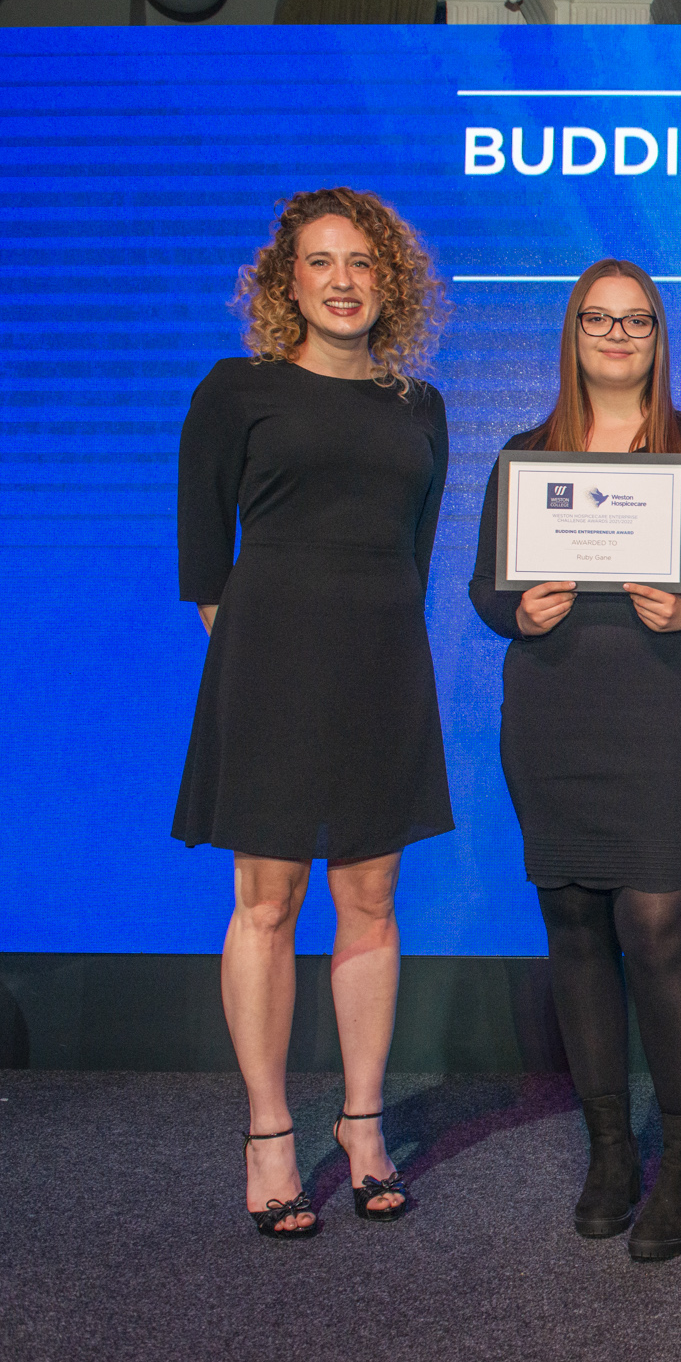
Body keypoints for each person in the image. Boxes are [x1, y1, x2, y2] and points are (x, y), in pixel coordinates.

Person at [468, 260, 681, 1260]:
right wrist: (519, 607)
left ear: (657, 335)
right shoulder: (524, 452)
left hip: (665, 712)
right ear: (573, 331)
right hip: (553, 712)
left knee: (660, 922)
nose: (618, 335)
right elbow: (482, 592)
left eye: (636, 320)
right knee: (576, 922)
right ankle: (608, 1152)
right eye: (599, 319)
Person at [175, 187, 451, 1238]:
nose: (343, 281)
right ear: (286, 281)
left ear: (391, 281)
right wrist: (267, 665)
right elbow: (206, 569)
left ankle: (365, 1127)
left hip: (383, 660)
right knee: (268, 901)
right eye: (321, 262)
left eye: (363, 263)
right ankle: (268, 1134)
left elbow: (413, 556)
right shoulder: (235, 390)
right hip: (270, 665)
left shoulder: (415, 405)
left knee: (372, 900)